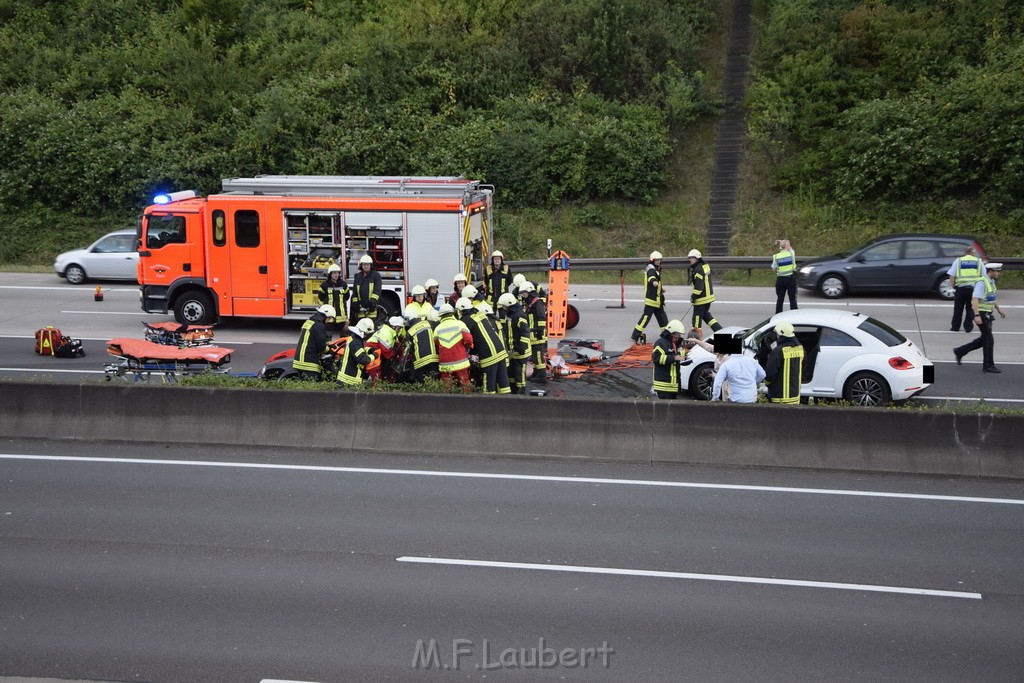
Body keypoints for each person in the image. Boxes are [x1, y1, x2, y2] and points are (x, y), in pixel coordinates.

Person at [954, 262, 1006, 373]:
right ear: (990, 271)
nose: (998, 274)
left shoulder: (990, 282)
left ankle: (960, 351)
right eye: (997, 271)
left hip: (987, 313)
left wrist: (998, 309)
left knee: (984, 339)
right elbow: (975, 299)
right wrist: (976, 315)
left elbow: (991, 297)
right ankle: (988, 365)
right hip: (981, 313)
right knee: (989, 340)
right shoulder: (982, 282)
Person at [460, 299, 510, 395]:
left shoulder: (465, 320)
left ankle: (489, 408)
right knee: (504, 385)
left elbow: (468, 339)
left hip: (489, 355)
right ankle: (507, 406)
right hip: (500, 351)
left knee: (489, 387)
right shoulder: (480, 314)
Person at [434, 303, 474, 389]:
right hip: (461, 362)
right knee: (465, 386)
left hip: (445, 365)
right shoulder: (460, 324)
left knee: (447, 388)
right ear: (452, 313)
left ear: (441, 316)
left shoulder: (437, 329)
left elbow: (437, 345)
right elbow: (469, 340)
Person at [497, 292, 531, 394]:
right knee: (511, 373)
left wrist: (521, 347)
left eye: (504, 306)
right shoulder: (510, 314)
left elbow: (525, 332)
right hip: (513, 351)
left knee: (519, 373)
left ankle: (521, 393)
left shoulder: (519, 315)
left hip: (521, 352)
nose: (503, 308)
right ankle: (513, 391)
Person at [632, 251, 668, 344]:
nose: (658, 261)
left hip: (657, 299)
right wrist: (654, 282)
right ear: (652, 260)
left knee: (662, 317)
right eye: (656, 260)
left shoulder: (656, 268)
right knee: (646, 318)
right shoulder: (651, 269)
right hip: (652, 300)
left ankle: (666, 334)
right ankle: (636, 334)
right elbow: (651, 277)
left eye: (660, 260)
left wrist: (661, 289)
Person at [764, 321, 804, 404]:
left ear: (780, 335)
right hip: (795, 395)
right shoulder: (800, 347)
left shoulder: (777, 351)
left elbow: (769, 374)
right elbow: (803, 366)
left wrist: (767, 384)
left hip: (780, 397)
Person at [292, 305, 334, 380]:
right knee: (311, 389)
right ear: (326, 316)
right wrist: (330, 351)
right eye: (330, 318)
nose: (329, 321)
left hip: (298, 361)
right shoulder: (319, 326)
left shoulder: (309, 322)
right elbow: (321, 347)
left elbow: (311, 340)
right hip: (309, 363)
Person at [947, 246, 983, 333]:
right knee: (970, 309)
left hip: (960, 289)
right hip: (973, 290)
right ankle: (968, 327)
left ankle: (955, 327)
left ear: (965, 252)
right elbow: (983, 276)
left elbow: (951, 275)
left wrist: (953, 285)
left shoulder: (958, 261)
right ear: (973, 253)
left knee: (958, 308)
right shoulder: (979, 261)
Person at [688, 249, 722, 333]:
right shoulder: (703, 266)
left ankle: (695, 338)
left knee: (696, 319)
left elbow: (699, 288)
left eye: (691, 258)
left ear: (696, 258)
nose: (689, 260)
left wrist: (693, 297)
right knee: (706, 316)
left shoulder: (698, 269)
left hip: (701, 299)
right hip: (707, 298)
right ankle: (720, 331)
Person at [519, 281, 548, 383]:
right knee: (535, 357)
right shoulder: (530, 303)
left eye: (524, 293)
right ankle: (536, 373)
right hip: (533, 335)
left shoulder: (537, 303)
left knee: (539, 356)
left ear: (529, 292)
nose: (523, 295)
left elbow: (541, 318)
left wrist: (539, 332)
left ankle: (541, 376)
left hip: (537, 335)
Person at [336, 318, 377, 387]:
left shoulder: (354, 338)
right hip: (350, 380)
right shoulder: (356, 342)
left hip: (345, 378)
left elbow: (358, 350)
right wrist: (374, 356)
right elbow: (363, 359)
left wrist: (369, 350)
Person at [651, 319, 686, 399]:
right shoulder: (660, 343)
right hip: (664, 385)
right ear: (671, 333)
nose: (678, 337)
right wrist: (674, 358)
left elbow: (680, 355)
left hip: (673, 386)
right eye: (677, 335)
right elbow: (656, 358)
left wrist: (684, 358)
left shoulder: (677, 344)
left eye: (680, 335)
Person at [404, 305, 439, 382]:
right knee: (435, 381)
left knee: (422, 384)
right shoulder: (429, 323)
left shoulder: (409, 332)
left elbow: (410, 350)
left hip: (420, 362)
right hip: (434, 358)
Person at [365, 315, 405, 380]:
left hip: (376, 352)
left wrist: (405, 355)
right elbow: (387, 352)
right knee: (375, 373)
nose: (399, 330)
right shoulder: (387, 333)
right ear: (393, 326)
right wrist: (398, 358)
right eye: (399, 328)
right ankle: (376, 387)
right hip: (372, 351)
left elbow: (397, 346)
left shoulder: (390, 332)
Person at [317, 264, 349, 336]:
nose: (336, 275)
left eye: (337, 273)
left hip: (341, 315)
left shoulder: (343, 284)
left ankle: (343, 347)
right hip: (329, 315)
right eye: (334, 273)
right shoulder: (324, 285)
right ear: (330, 274)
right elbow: (320, 297)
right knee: (327, 334)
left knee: (344, 335)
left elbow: (347, 297)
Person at [352, 254, 382, 321]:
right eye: (364, 264)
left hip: (372, 310)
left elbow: (377, 290)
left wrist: (372, 303)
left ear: (371, 265)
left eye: (367, 264)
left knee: (371, 329)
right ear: (361, 265)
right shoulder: (357, 276)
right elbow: (355, 292)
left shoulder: (376, 275)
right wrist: (355, 305)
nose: (366, 266)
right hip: (360, 310)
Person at [771, 239, 798, 314]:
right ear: (787, 246)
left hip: (781, 280)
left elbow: (773, 268)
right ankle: (795, 316)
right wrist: (782, 241)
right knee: (792, 300)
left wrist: (781, 243)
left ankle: (778, 316)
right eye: (788, 245)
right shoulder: (791, 254)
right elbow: (790, 248)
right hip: (791, 279)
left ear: (780, 247)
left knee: (780, 300)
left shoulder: (776, 256)